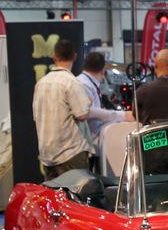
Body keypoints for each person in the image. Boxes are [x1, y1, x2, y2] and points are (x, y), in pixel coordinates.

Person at [32, 38, 95, 178]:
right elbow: (81, 115)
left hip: (48, 154)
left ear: (54, 57)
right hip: (70, 153)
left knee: (53, 191)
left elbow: (36, 115)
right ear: (75, 56)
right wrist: (88, 101)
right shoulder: (72, 82)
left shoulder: (40, 84)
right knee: (75, 191)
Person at [77, 51, 127, 158]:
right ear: (103, 71)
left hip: (91, 144)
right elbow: (89, 112)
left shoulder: (86, 83)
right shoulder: (84, 84)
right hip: (85, 146)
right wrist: (122, 115)